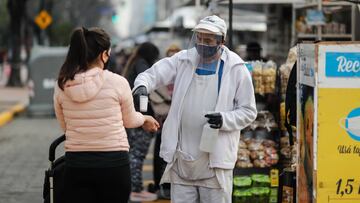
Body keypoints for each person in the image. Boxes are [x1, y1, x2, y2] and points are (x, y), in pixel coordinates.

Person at [133, 15, 257, 203]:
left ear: (221, 41)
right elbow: (153, 75)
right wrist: (142, 85)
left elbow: (248, 111)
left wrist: (224, 119)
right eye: (199, 38)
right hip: (183, 159)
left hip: (215, 163)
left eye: (208, 40)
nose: (202, 44)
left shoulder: (236, 68)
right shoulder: (183, 60)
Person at [53, 27, 159, 203]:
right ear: (103, 55)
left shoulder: (62, 84)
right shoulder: (117, 82)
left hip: (77, 163)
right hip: (114, 164)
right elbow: (130, 120)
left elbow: (65, 126)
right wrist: (145, 119)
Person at [122, 42, 160, 202]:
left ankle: (134, 188)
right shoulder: (142, 65)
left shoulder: (134, 63)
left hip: (133, 115)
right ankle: (136, 189)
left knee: (133, 154)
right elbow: (147, 88)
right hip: (141, 118)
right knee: (137, 154)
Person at [148, 44, 181, 199]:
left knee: (175, 154)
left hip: (179, 124)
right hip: (163, 121)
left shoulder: (184, 74)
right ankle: (159, 184)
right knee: (161, 153)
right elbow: (153, 92)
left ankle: (171, 185)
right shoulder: (163, 73)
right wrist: (169, 100)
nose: (173, 57)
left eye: (176, 54)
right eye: (171, 54)